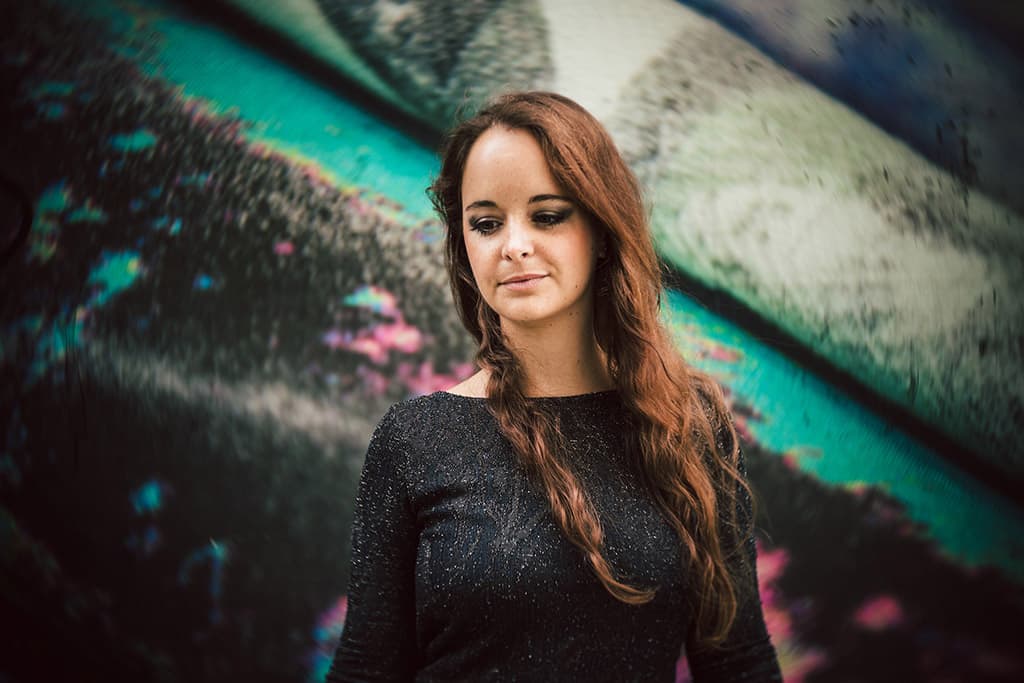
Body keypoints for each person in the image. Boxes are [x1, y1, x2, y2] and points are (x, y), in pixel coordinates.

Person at [327, 91, 781, 682]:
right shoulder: (414, 439)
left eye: (547, 215)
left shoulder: (688, 424)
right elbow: (367, 668)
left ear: (601, 227)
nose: (513, 245)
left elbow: (738, 662)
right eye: (486, 223)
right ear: (464, 245)